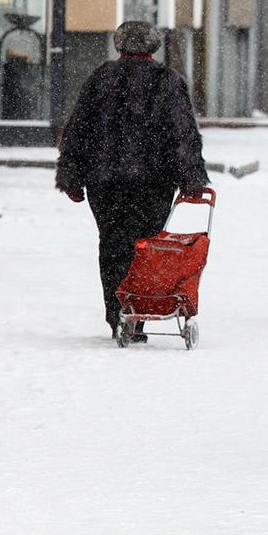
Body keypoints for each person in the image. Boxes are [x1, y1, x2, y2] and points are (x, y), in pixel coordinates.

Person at [55, 21, 208, 342]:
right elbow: (183, 134)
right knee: (145, 247)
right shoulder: (167, 81)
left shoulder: (100, 79)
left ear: (119, 44)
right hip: (153, 182)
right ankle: (138, 311)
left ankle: (117, 313)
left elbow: (77, 130)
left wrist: (71, 177)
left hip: (104, 180)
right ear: (154, 47)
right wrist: (192, 178)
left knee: (111, 244)